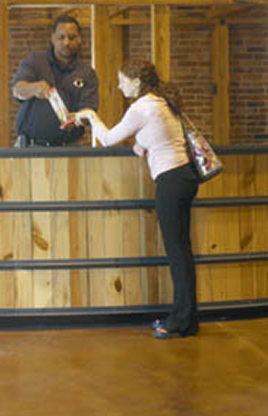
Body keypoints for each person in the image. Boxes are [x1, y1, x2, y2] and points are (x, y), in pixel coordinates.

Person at [75, 59, 199, 338]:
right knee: (182, 252)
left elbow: (108, 139)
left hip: (170, 181)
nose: (119, 86)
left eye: (122, 81)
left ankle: (180, 321)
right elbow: (164, 134)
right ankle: (188, 321)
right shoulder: (161, 102)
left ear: (136, 81)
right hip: (185, 177)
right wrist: (142, 143)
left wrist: (91, 116)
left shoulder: (141, 107)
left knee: (177, 255)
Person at [12, 14, 99, 147]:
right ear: (52, 38)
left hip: (69, 147)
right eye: (61, 37)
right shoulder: (35, 61)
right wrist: (34, 88)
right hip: (30, 146)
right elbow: (17, 90)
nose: (66, 42)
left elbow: (89, 111)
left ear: (79, 39)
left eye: (72, 37)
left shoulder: (87, 73)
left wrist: (77, 119)